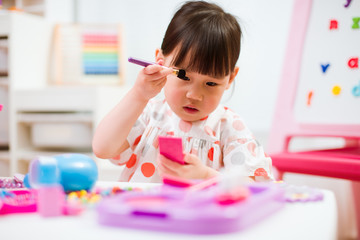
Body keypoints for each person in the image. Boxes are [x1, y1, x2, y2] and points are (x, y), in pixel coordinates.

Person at [92, 1, 273, 183]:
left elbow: (256, 186)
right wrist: (138, 94)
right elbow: (102, 148)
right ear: (160, 62)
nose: (194, 95)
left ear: (230, 78)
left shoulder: (228, 127)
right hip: (143, 209)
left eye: (210, 83)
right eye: (184, 77)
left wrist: (206, 176)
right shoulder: (149, 115)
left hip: (196, 212)